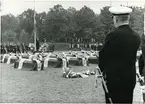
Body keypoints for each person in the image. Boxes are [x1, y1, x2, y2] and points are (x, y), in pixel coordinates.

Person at [98, 6, 141, 103]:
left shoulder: (113, 35)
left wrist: (102, 71)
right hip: (130, 79)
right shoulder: (136, 36)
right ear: (128, 18)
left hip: (114, 80)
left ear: (116, 19)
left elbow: (103, 55)